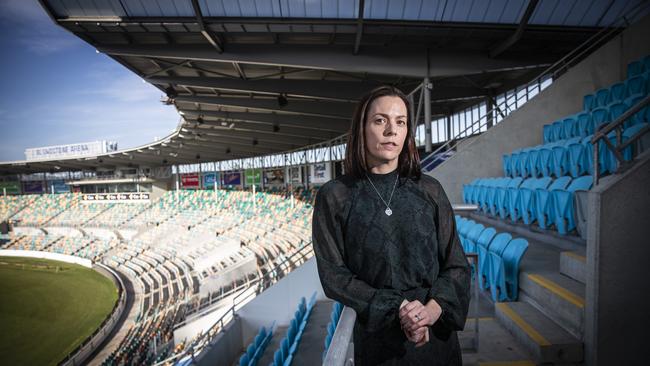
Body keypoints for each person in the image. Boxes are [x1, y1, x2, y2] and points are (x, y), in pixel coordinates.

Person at [312, 86, 471, 365]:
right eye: (380, 120)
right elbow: (333, 275)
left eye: (400, 122)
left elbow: (456, 265)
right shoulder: (335, 196)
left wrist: (431, 312)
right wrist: (397, 308)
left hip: (435, 337)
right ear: (361, 128)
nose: (391, 131)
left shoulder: (430, 190)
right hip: (379, 340)